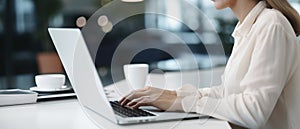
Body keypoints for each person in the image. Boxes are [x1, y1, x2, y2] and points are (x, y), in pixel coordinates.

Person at [119, 0, 300, 128]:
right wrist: (172, 95)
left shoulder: (272, 25)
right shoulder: (249, 26)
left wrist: (181, 102)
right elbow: (227, 92)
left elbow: (253, 111)